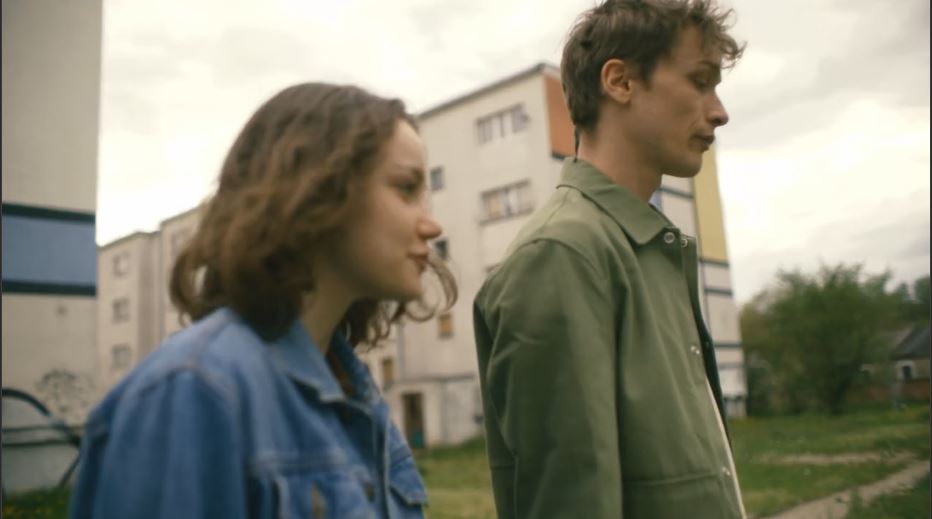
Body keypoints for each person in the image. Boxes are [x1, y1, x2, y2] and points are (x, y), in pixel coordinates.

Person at [69, 83, 456, 519]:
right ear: (315, 190)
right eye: (406, 188)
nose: (432, 225)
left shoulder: (356, 398)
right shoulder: (194, 391)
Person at [472, 1, 746, 517]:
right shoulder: (562, 255)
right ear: (620, 82)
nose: (719, 111)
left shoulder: (649, 248)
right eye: (699, 81)